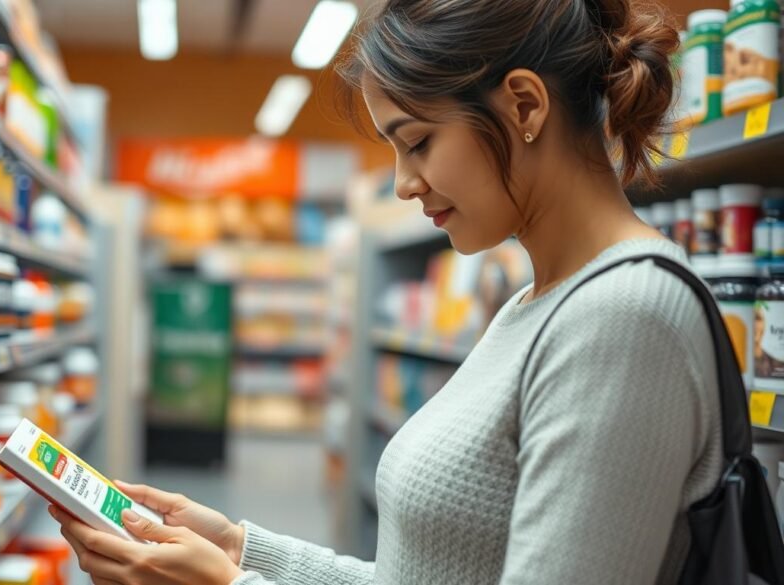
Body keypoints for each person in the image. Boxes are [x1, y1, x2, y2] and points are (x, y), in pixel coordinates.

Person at [50, 0, 722, 583]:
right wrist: (240, 549)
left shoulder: (625, 318)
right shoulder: (533, 305)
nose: (402, 184)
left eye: (418, 142)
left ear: (524, 104)